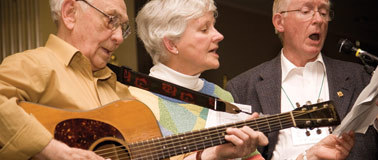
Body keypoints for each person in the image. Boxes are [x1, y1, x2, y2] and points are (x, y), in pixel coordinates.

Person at [132, 0, 355, 160]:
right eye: (204, 29)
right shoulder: (131, 101)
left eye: (214, 26)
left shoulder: (223, 97)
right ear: (171, 44)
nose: (219, 35)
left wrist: (309, 156)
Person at [225, 0, 378, 159]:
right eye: (306, 11)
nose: (318, 20)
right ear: (279, 22)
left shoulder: (360, 77)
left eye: (324, 13)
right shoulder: (242, 88)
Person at [0, 0, 133, 159]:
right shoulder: (34, 64)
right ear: (70, 13)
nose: (119, 37)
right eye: (111, 20)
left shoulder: (122, 92)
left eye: (123, 27)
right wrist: (52, 150)